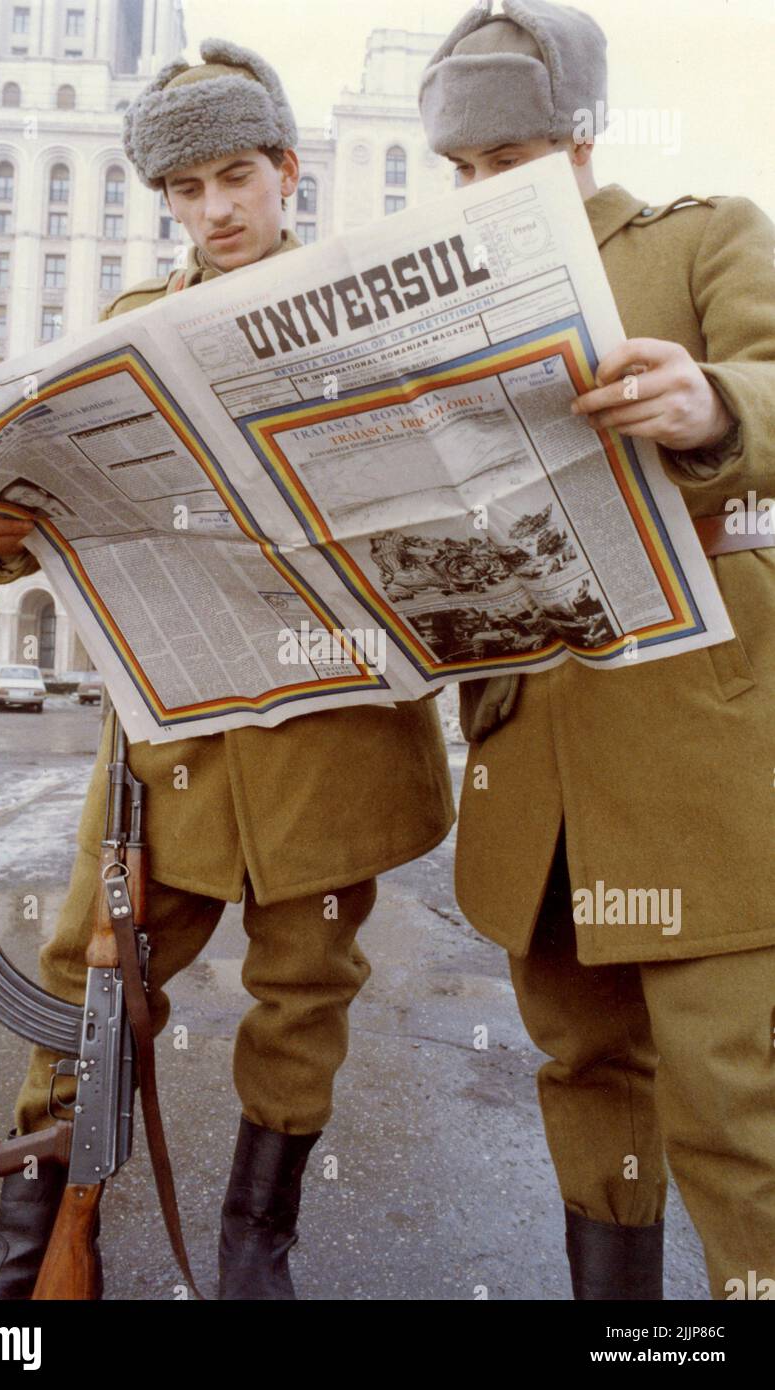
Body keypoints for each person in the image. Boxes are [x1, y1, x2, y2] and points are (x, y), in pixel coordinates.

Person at [0, 39, 455, 1302]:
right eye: (186, 189)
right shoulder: (128, 332)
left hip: (330, 737)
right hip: (166, 754)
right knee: (83, 982)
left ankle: (253, 1256)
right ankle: (27, 1263)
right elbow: (57, 520)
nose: (216, 209)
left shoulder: (371, 316)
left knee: (302, 996)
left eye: (237, 174)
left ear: (288, 170)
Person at [418, 0, 775, 1299]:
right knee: (582, 1070)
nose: (476, 194)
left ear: (577, 139)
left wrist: (713, 401)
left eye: (503, 165)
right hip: (537, 764)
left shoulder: (699, 235)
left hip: (694, 756)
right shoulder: (445, 296)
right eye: (457, 172)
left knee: (733, 1103)